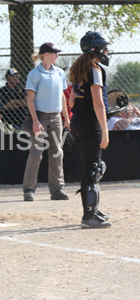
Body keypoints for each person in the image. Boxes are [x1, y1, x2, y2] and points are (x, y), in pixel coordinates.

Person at [68, 31, 113, 228]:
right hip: (89, 123)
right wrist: (105, 129)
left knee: (94, 167)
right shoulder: (94, 69)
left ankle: (92, 209)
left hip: (77, 122)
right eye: (103, 47)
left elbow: (71, 101)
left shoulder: (78, 69)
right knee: (93, 169)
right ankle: (88, 217)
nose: (106, 51)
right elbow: (98, 104)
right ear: (95, 49)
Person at [22, 42, 70, 202]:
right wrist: (35, 120)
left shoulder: (60, 73)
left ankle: (57, 190)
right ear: (46, 55)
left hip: (56, 117)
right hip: (40, 117)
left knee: (57, 152)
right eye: (55, 53)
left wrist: (66, 118)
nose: (57, 56)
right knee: (36, 153)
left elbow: (62, 96)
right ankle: (29, 190)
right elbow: (30, 99)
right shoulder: (35, 74)